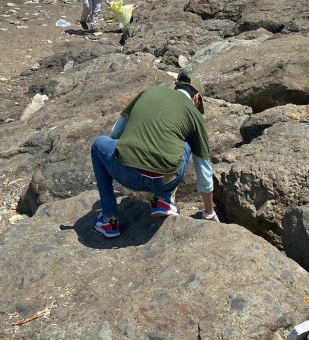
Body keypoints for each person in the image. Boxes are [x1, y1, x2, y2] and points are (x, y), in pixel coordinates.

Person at [90, 74, 219, 238]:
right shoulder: (194, 115)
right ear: (196, 98)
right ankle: (162, 201)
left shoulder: (148, 92)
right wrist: (209, 212)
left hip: (126, 173)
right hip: (165, 180)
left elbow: (115, 133)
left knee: (98, 144)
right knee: (184, 141)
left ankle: (109, 220)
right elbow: (203, 169)